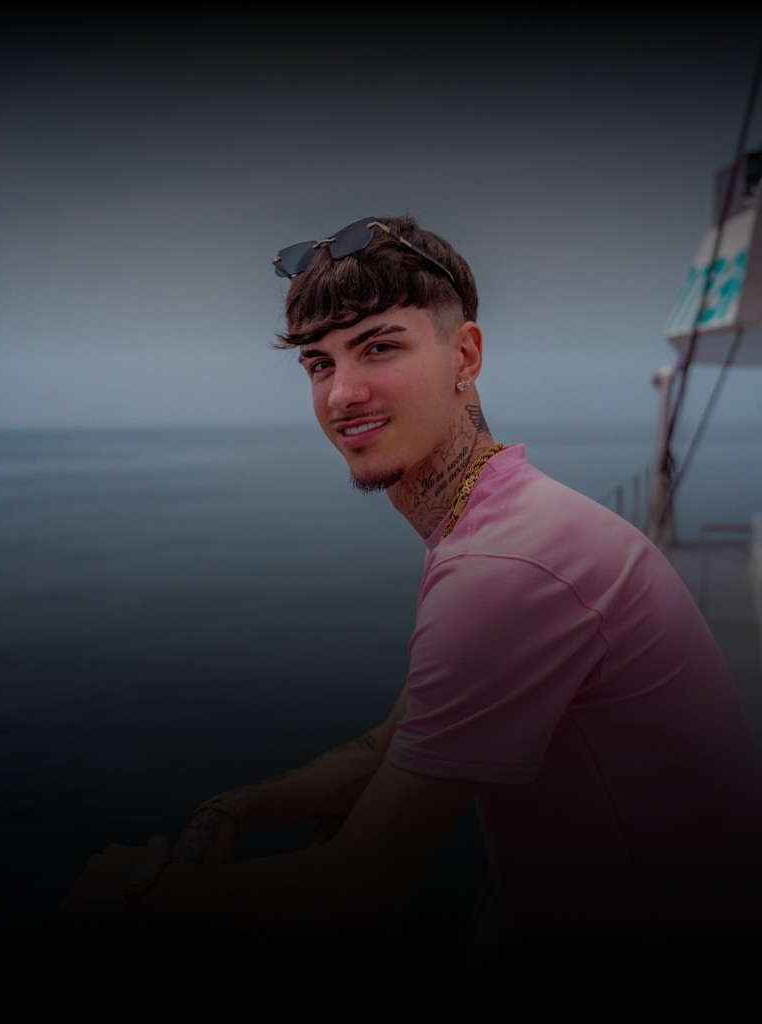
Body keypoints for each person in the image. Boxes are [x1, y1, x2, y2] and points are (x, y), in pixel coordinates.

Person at [60, 214, 762, 975]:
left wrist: (137, 887)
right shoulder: (497, 515)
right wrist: (235, 807)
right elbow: (397, 740)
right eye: (319, 363)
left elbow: (353, 894)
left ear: (466, 355)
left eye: (379, 347)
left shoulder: (507, 565)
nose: (342, 393)